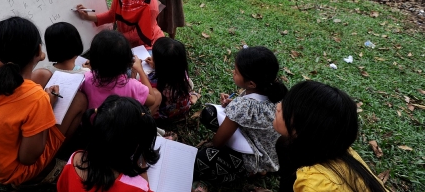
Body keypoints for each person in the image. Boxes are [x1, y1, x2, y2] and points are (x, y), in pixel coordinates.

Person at [0, 17, 87, 187]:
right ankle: (44, 171)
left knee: (44, 75)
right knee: (80, 101)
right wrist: (48, 105)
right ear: (38, 50)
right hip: (16, 172)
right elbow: (28, 158)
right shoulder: (37, 99)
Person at [194, 46, 288, 184]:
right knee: (210, 114)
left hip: (257, 156)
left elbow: (218, 142)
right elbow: (254, 113)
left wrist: (234, 109)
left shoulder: (244, 106)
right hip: (272, 152)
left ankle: (247, 173)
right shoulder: (276, 92)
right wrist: (232, 105)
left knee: (202, 160)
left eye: (236, 72)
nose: (233, 72)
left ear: (251, 83)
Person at [274, 81, 388, 192]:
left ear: (304, 129)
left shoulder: (315, 184)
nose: (278, 106)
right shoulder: (338, 151)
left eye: (287, 108)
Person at [57, 95, 159, 192]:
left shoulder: (75, 159)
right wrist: (142, 171)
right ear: (131, 146)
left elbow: (62, 188)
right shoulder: (137, 187)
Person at [80, 30, 161, 115]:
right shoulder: (132, 85)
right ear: (127, 60)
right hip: (122, 125)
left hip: (95, 124)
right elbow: (152, 100)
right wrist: (140, 70)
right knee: (157, 95)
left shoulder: (86, 78)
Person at [144, 37, 199, 120]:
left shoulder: (153, 81)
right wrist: (156, 65)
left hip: (165, 115)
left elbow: (139, 89)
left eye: (153, 56)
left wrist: (140, 71)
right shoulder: (182, 71)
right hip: (183, 108)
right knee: (190, 83)